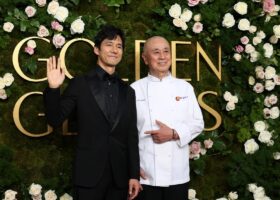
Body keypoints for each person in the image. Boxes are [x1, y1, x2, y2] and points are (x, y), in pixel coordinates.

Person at [43, 25, 140, 200]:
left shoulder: (128, 91)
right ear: (96, 49)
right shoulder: (80, 84)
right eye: (109, 44)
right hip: (88, 175)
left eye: (119, 46)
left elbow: (131, 135)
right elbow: (54, 119)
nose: (114, 50)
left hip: (120, 178)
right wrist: (53, 88)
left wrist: (134, 175)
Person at [131, 36, 204, 200]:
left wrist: (173, 133)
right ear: (145, 59)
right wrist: (131, 168)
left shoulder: (184, 88)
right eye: (156, 52)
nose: (162, 57)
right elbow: (124, 133)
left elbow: (198, 123)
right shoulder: (134, 90)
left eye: (166, 51)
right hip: (145, 174)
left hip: (177, 173)